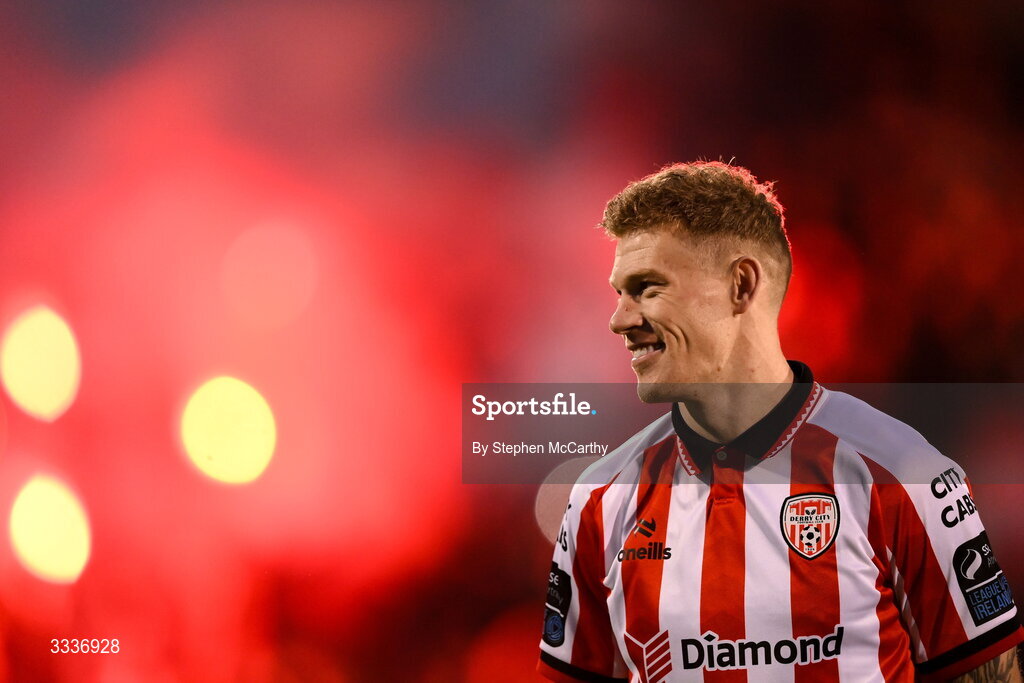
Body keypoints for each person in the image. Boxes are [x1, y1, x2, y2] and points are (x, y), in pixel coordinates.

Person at [537, 162, 1023, 682]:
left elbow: (986, 674)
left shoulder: (904, 473)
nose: (620, 319)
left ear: (741, 285)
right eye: (619, 293)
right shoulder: (599, 498)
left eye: (647, 288)